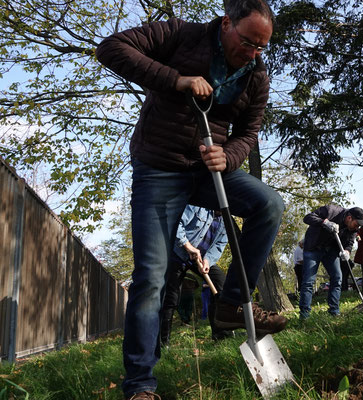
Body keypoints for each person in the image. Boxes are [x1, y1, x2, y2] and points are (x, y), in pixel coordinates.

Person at [95, 1, 285, 398]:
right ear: (227, 23)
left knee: (268, 204)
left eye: (260, 47)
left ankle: (231, 305)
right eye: (247, 42)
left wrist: (228, 155)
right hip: (159, 169)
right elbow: (111, 48)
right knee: (151, 278)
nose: (252, 53)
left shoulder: (256, 74)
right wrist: (177, 79)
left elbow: (249, 133)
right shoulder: (181, 34)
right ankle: (140, 385)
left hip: (207, 170)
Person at [159, 205, 233, 347]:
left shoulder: (225, 221)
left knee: (220, 284)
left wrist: (208, 261)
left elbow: (219, 245)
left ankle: (220, 334)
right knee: (171, 296)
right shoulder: (198, 207)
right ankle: (163, 342)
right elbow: (176, 223)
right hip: (178, 253)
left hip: (201, 258)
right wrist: (188, 247)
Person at [299, 206, 363, 319]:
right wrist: (324, 222)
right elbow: (307, 218)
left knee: (337, 278)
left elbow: (350, 242)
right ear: (349, 218)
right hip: (313, 247)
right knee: (308, 281)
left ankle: (334, 311)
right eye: (357, 224)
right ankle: (304, 315)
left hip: (331, 250)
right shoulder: (331, 211)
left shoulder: (353, 229)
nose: (357, 227)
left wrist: (347, 251)